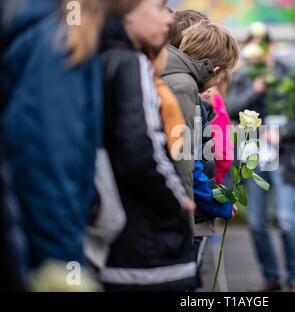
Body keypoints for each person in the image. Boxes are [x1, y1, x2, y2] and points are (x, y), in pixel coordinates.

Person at [0, 0, 142, 290]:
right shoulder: (61, 41)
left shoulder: (67, 32)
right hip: (40, 252)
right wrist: (66, 266)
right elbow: (49, 166)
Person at [99, 0, 199, 291]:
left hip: (107, 238)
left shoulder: (97, 56)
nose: (169, 19)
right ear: (127, 10)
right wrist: (178, 201)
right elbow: (143, 150)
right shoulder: (132, 63)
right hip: (142, 244)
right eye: (159, 7)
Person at [227, 27, 295, 292]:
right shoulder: (243, 79)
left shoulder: (290, 76)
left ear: (270, 49)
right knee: (256, 222)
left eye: (260, 48)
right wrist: (255, 89)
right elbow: (231, 108)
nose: (256, 55)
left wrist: (282, 133)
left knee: (286, 219)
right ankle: (271, 276)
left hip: (282, 156)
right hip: (253, 157)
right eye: (251, 49)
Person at [162, 15, 239, 271]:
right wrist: (218, 204)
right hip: (184, 211)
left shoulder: (175, 78)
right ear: (215, 71)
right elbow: (186, 161)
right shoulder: (184, 87)